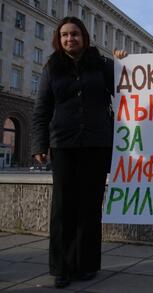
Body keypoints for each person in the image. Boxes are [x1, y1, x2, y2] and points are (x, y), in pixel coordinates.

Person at [31, 16, 127, 288]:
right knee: (63, 207)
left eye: (74, 34)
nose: (69, 39)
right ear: (58, 40)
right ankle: (61, 267)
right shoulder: (52, 67)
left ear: (84, 37)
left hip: (97, 144)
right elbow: (41, 109)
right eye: (64, 35)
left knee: (89, 207)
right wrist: (39, 143)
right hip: (63, 144)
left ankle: (87, 265)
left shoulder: (102, 64)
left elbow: (128, 86)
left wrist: (123, 62)